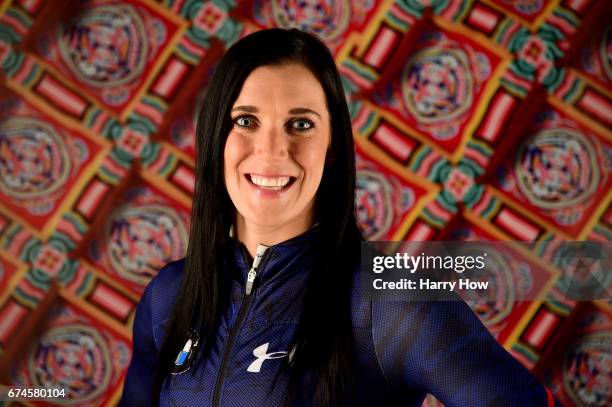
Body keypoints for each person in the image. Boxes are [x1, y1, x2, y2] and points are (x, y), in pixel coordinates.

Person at [119, 28, 560, 407]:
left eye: (301, 124)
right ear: (216, 137)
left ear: (331, 147)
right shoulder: (168, 297)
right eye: (246, 121)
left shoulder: (389, 302)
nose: (272, 151)